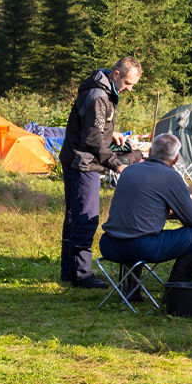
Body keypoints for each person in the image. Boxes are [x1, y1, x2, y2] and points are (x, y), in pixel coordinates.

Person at [60, 56, 142, 288]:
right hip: (82, 163)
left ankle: (69, 271)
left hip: (76, 158)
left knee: (73, 216)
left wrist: (111, 134)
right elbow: (93, 139)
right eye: (128, 83)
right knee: (86, 217)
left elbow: (95, 126)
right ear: (116, 74)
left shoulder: (103, 89)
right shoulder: (98, 95)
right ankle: (82, 275)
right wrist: (117, 165)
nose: (129, 89)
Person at [99, 134, 192, 285]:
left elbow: (138, 211)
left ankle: (131, 291)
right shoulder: (171, 176)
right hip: (141, 247)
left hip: (109, 244)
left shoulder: (129, 171)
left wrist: (162, 211)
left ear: (150, 152)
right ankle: (175, 291)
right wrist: (178, 209)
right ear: (176, 158)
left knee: (136, 230)